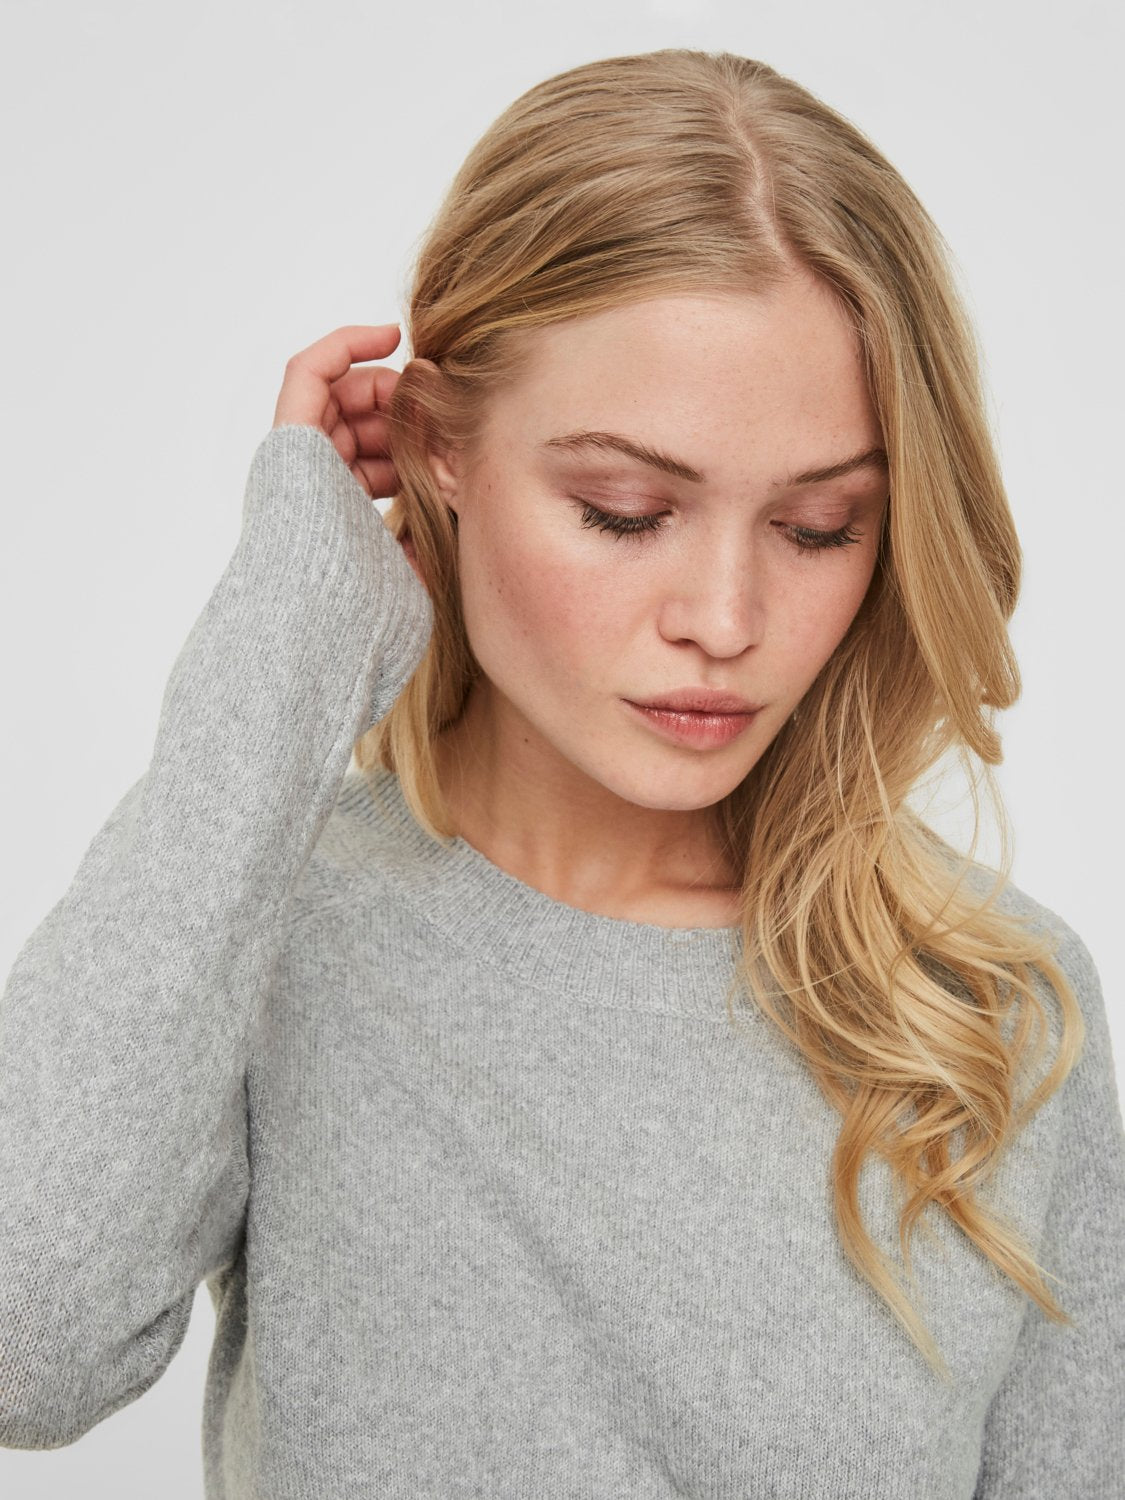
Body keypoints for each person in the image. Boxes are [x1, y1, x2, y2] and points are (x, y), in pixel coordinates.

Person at [1, 46, 1122, 1500]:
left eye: (818, 528)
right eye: (624, 510)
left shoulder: (987, 1007)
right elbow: (26, 1345)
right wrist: (284, 638)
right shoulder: (273, 932)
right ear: (436, 449)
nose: (724, 621)